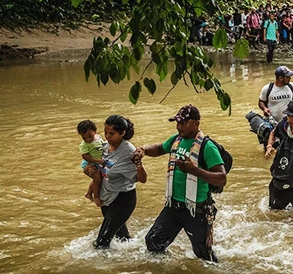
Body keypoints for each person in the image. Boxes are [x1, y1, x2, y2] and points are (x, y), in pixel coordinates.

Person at [137, 105, 227, 261]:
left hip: (195, 210)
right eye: (177, 123)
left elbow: (221, 177)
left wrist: (195, 170)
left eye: (183, 123)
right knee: (153, 241)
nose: (179, 127)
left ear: (196, 124)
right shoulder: (176, 140)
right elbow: (159, 149)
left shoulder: (207, 147)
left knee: (204, 255)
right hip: (173, 206)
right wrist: (143, 150)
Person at [94, 115, 146, 249]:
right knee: (122, 239)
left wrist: (138, 163)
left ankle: (104, 268)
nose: (107, 136)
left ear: (122, 133)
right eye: (105, 132)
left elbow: (142, 179)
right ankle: (133, 259)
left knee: (101, 243)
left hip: (122, 199)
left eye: (112, 133)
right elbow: (102, 170)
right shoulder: (105, 147)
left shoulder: (128, 151)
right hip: (107, 197)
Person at [77, 120, 105, 207]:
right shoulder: (84, 145)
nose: (88, 139)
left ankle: (89, 193)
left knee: (97, 179)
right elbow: (85, 156)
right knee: (97, 179)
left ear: (95, 131)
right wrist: (96, 161)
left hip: (98, 163)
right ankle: (96, 197)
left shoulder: (99, 138)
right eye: (84, 138)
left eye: (90, 136)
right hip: (89, 163)